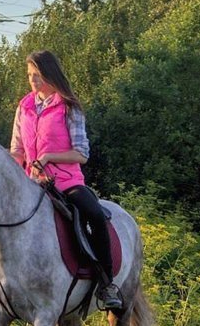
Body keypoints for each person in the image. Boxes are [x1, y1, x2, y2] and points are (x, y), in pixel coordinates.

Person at [10, 50, 122, 311]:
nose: (32, 80)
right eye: (29, 75)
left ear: (50, 74)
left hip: (66, 183)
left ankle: (107, 283)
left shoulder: (69, 107)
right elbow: (17, 150)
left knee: (95, 215)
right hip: (31, 184)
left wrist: (49, 157)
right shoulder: (24, 107)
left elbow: (81, 154)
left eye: (37, 74)